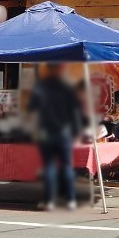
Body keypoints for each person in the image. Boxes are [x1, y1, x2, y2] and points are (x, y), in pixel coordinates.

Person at [27, 62, 84, 210]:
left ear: (48, 69)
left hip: (45, 132)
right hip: (64, 132)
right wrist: (77, 132)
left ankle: (49, 201)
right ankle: (71, 200)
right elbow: (74, 112)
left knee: (49, 166)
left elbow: (32, 110)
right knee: (66, 166)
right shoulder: (67, 88)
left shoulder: (40, 87)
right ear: (60, 69)